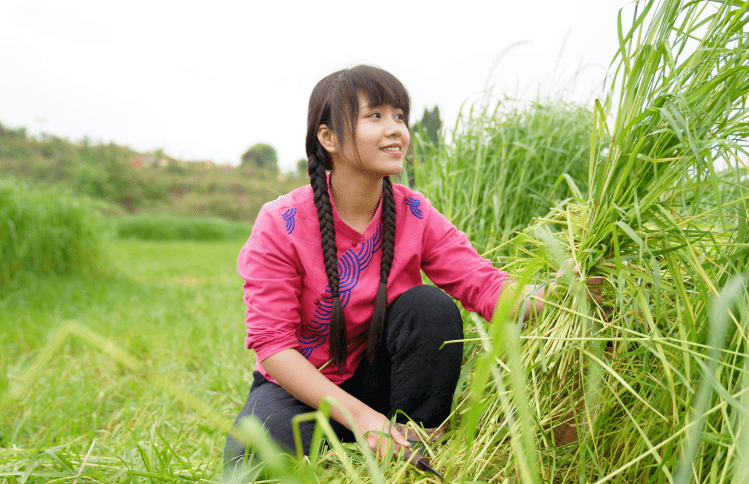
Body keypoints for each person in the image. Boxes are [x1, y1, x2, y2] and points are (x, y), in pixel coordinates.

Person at [223, 65, 583, 474]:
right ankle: (360, 434)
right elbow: (273, 346)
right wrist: (359, 418)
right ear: (329, 137)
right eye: (375, 115)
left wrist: (554, 293)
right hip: (305, 388)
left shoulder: (414, 212)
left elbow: (483, 284)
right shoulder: (281, 222)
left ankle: (415, 447)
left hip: (383, 379)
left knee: (429, 306)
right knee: (250, 465)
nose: (396, 129)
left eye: (399, 115)